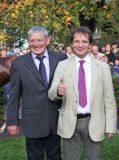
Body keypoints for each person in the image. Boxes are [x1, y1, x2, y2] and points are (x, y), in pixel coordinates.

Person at [48, 26, 117, 160]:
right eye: (76, 41)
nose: (80, 45)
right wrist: (58, 91)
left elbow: (109, 98)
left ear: (90, 45)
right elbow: (51, 94)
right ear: (72, 44)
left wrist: (111, 126)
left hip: (94, 121)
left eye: (84, 42)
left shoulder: (102, 67)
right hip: (69, 122)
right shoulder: (62, 65)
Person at [6, 26, 67, 160]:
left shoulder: (60, 58)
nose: (36, 44)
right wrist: (11, 121)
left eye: (39, 40)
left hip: (55, 119)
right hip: (32, 121)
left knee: (55, 156)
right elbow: (14, 95)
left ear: (48, 40)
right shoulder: (19, 64)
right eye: (32, 41)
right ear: (28, 42)